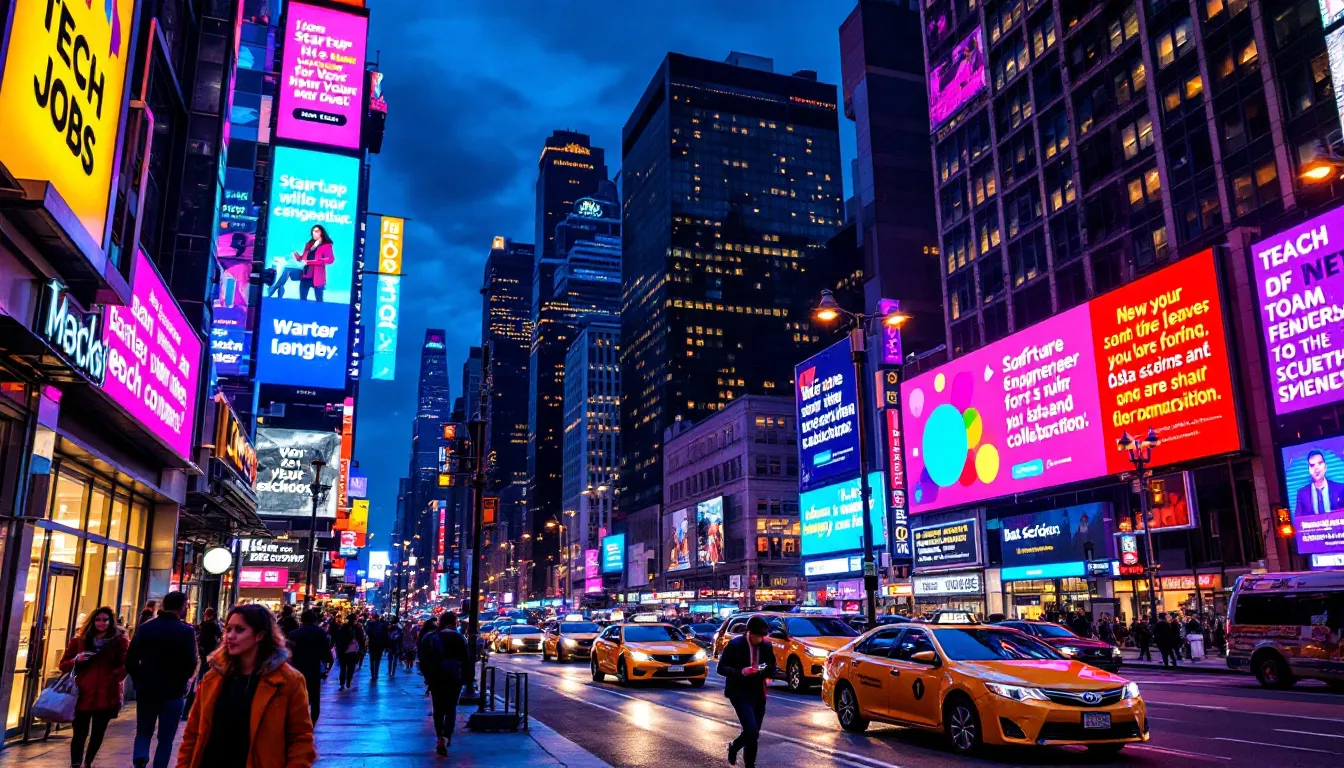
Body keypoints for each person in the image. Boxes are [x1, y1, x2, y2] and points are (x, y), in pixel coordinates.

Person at [176, 604, 316, 768]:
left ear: (259, 635)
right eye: (228, 629)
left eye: (239, 630)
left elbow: (301, 739)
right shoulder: (213, 677)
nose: (230, 636)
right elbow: (192, 733)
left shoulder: (288, 681)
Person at [126, 591, 197, 768]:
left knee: (143, 730)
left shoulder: (146, 628)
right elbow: (191, 661)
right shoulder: (185, 631)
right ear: (182, 607)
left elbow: (130, 658)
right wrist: (184, 680)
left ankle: (140, 756)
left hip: (147, 687)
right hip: (173, 690)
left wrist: (138, 679)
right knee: (166, 738)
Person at [58, 606, 129, 768]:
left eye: (105, 620)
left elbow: (126, 664)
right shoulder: (79, 641)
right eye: (98, 620)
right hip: (82, 693)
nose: (101, 623)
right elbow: (63, 665)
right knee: (79, 733)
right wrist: (77, 660)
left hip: (106, 694)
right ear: (92, 621)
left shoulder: (119, 642)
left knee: (98, 732)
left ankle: (88, 761)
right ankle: (76, 763)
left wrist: (114, 676)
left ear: (111, 622)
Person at [718, 616, 776, 768]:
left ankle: (750, 764)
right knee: (750, 729)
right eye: (758, 636)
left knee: (754, 733)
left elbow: (772, 666)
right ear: (750, 633)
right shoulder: (736, 644)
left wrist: (767, 673)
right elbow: (721, 668)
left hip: (758, 691)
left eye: (763, 636)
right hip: (739, 691)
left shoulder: (766, 646)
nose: (761, 639)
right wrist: (742, 672)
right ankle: (734, 746)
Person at [419, 613, 470, 755]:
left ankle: (439, 736)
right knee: (451, 708)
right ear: (453, 622)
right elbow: (466, 660)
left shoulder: (432, 637)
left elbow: (423, 658)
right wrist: (466, 678)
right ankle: (446, 736)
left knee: (438, 708)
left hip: (436, 676)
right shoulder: (459, 637)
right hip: (454, 676)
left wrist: (427, 676)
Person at [287, 608, 332, 725]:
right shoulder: (320, 632)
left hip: (297, 669)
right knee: (315, 697)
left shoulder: (293, 634)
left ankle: (299, 720)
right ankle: (312, 723)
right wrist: (327, 664)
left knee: (299, 696)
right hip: (314, 668)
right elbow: (325, 651)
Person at [185, 608, 224, 719]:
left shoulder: (206, 625)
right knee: (201, 683)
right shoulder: (211, 626)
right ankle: (192, 711)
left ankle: (188, 711)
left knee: (199, 683)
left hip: (204, 657)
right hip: (206, 657)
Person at [1295, 449, 1344, 517]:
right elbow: (1298, 521)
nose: (1316, 468)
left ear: (1325, 467)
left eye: (1320, 463)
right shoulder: (1302, 494)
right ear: (1309, 470)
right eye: (1312, 465)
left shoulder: (1340, 489)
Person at [296, 225, 335, 302]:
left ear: (322, 233)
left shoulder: (326, 245)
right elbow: (304, 258)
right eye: (313, 231)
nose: (313, 233)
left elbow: (330, 260)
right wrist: (296, 256)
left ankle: (319, 314)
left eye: (316, 231)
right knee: (302, 301)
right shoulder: (309, 244)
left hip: (318, 278)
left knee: (319, 302)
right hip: (305, 276)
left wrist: (311, 262)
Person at [334, 614, 365, 690]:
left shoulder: (343, 628)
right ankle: (348, 682)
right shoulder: (358, 629)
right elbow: (362, 640)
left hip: (343, 651)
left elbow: (338, 639)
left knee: (343, 668)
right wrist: (361, 649)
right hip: (353, 652)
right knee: (351, 667)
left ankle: (342, 684)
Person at [366, 614, 389, 680]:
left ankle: (372, 674)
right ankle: (376, 673)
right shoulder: (383, 625)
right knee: (377, 661)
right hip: (380, 645)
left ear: (373, 618)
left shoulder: (370, 625)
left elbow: (367, 633)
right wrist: (385, 646)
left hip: (372, 645)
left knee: (372, 660)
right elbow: (386, 636)